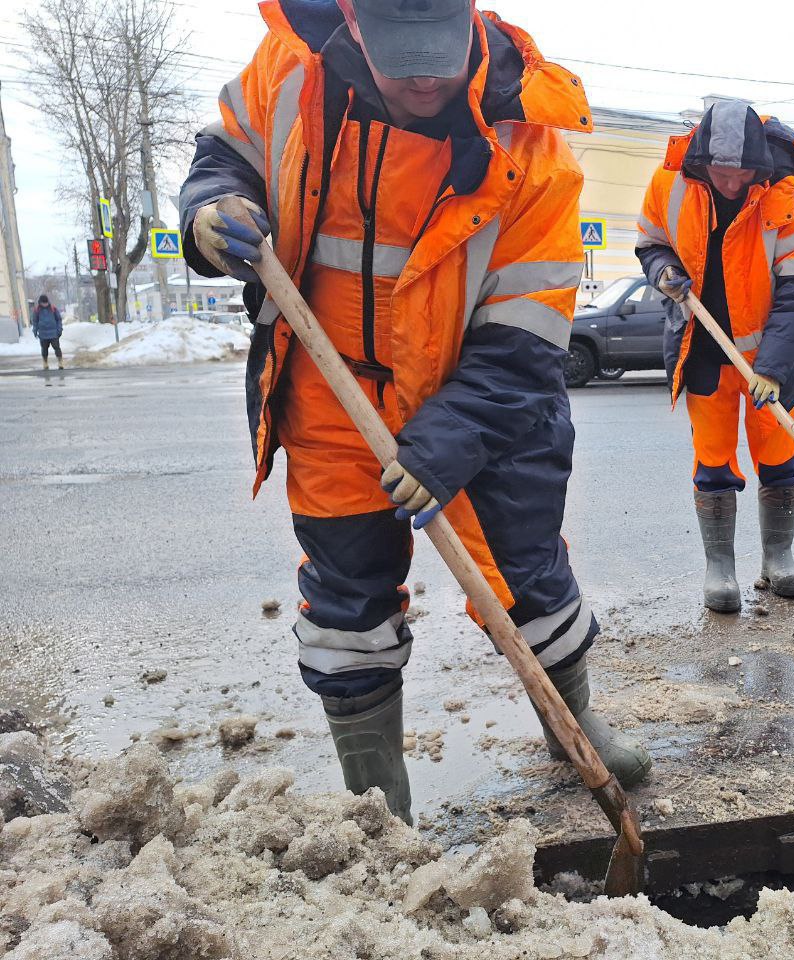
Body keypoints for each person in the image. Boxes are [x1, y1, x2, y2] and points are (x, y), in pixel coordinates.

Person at [178, 0, 650, 824]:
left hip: (480, 397)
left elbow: (525, 338)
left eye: (439, 53)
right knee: (347, 597)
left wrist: (445, 443)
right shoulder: (287, 74)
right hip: (332, 388)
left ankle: (571, 724)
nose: (425, 80)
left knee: (527, 574)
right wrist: (211, 208)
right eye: (402, 60)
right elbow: (225, 154)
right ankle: (377, 801)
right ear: (354, 25)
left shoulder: (532, 151)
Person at [635, 100, 794, 613]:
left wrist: (773, 367)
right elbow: (650, 243)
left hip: (770, 358)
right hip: (704, 348)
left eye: (744, 174)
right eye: (723, 174)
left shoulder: (792, 189)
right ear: (701, 161)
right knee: (713, 456)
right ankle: (719, 566)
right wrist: (662, 271)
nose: (734, 184)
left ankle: (778, 558)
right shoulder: (670, 181)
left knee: (778, 453)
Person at [31, 295, 64, 370]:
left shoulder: (53, 308)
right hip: (43, 334)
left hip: (53, 333)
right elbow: (35, 321)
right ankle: (45, 363)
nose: (45, 304)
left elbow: (58, 319)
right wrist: (35, 331)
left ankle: (60, 362)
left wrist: (59, 330)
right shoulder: (37, 310)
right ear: (40, 302)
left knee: (57, 348)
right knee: (44, 349)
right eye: (44, 303)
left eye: (46, 303)